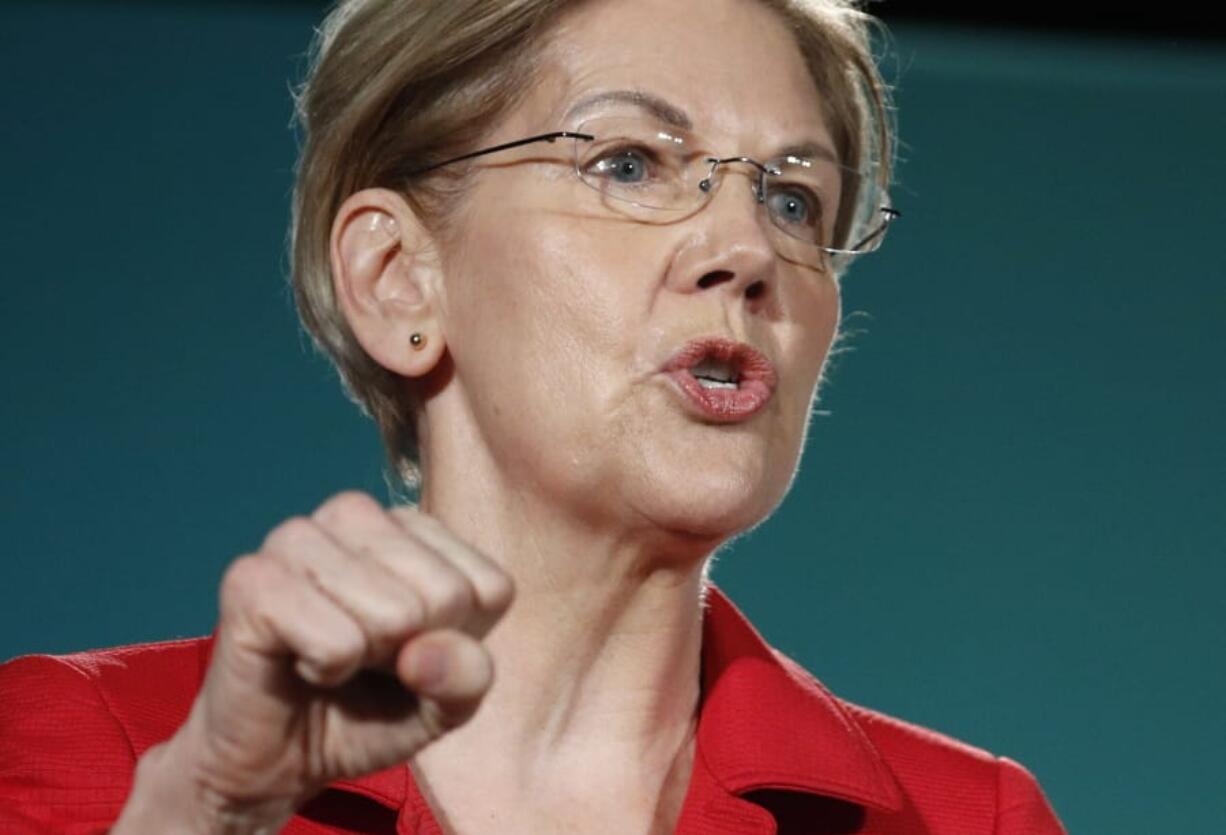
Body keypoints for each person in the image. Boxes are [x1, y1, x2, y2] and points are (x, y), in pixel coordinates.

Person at [0, 0, 1067, 832]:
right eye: (629, 164)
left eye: (792, 199)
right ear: (394, 277)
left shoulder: (963, 819)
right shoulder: (97, 752)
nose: (745, 251)